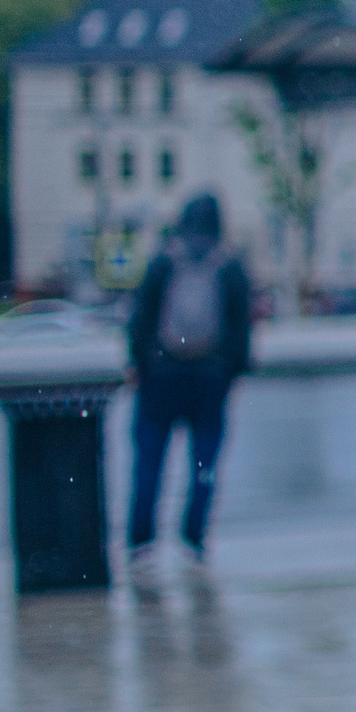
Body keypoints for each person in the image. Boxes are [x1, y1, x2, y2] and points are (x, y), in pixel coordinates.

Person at [125, 193, 252, 564]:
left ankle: (140, 540)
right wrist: (226, 372)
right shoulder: (228, 267)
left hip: (161, 374)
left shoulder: (163, 263)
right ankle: (194, 537)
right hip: (208, 376)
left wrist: (141, 364)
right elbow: (241, 330)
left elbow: (140, 320)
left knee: (149, 461)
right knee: (204, 464)